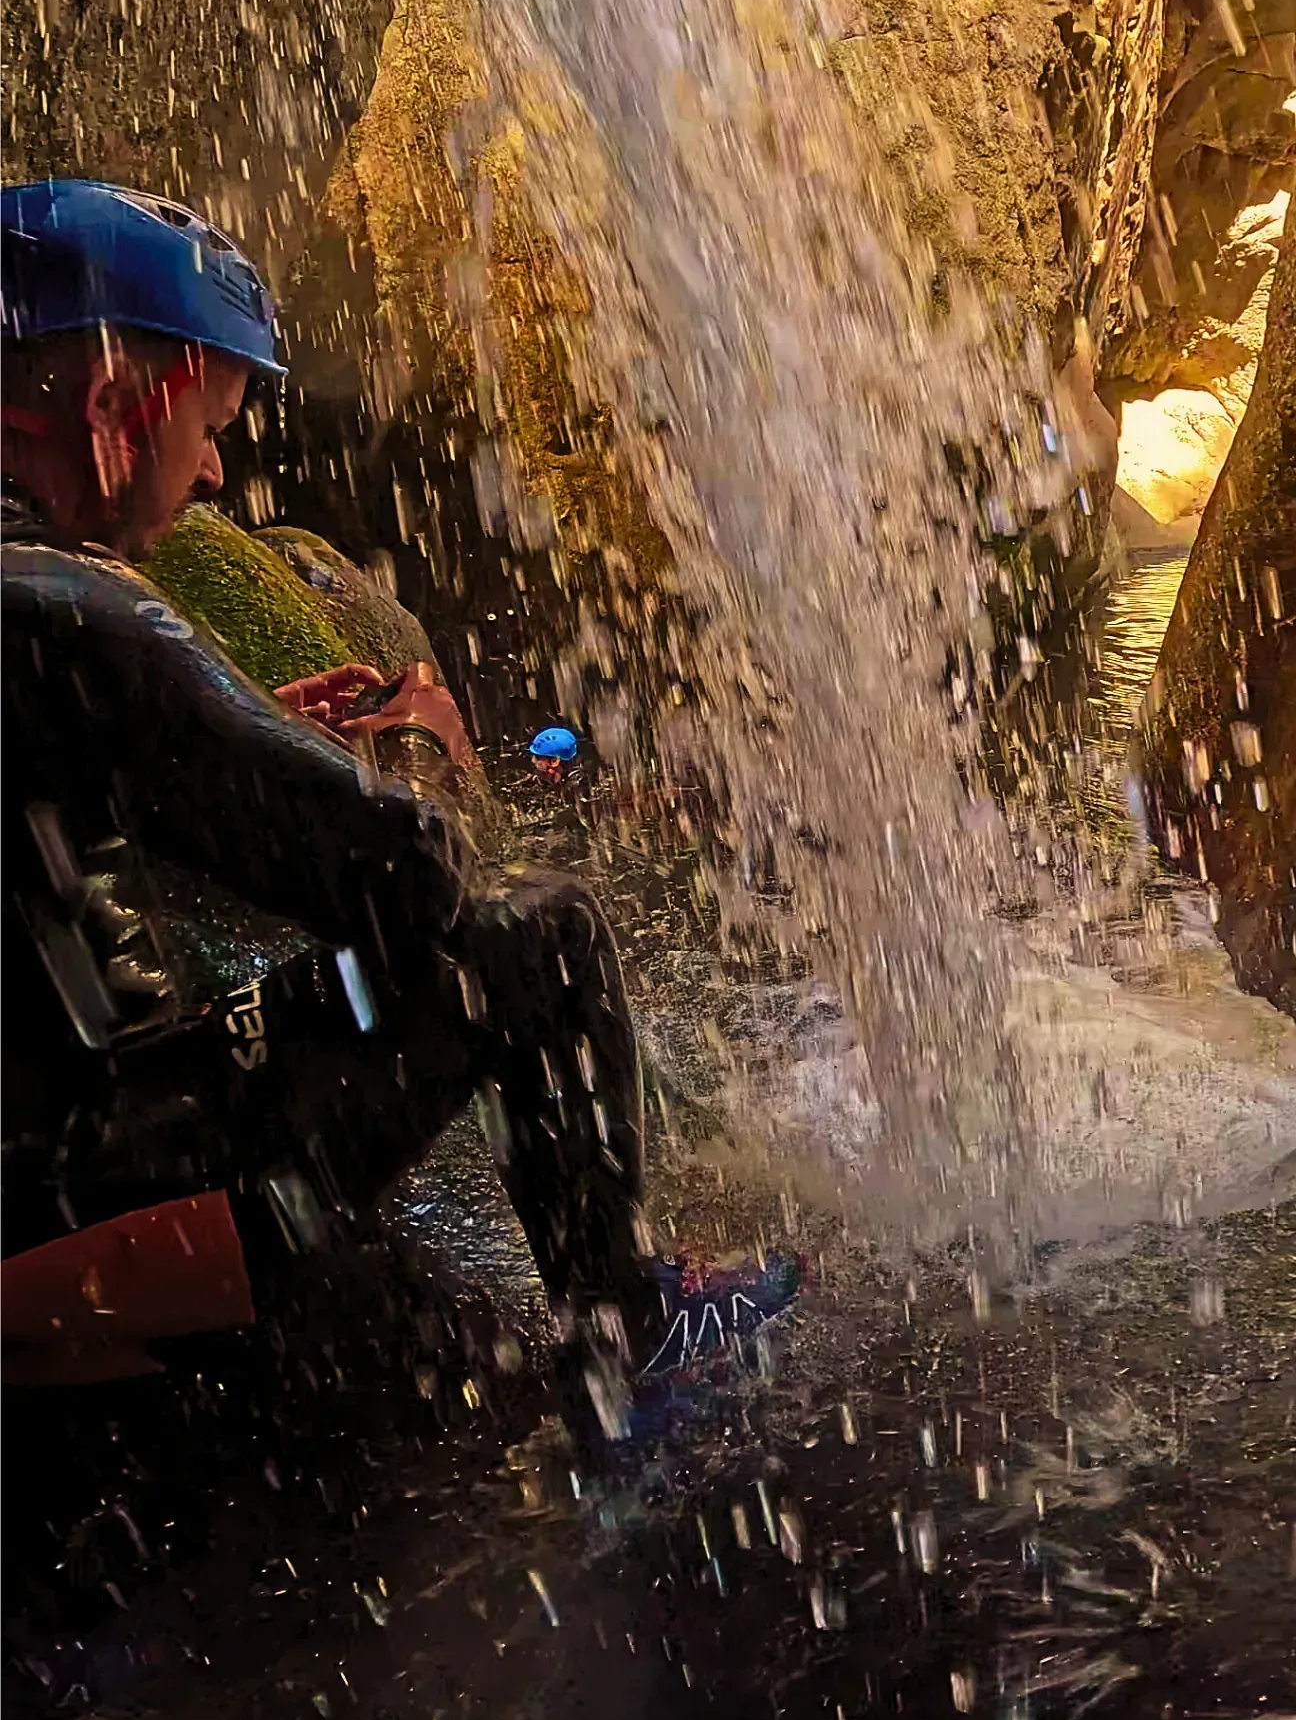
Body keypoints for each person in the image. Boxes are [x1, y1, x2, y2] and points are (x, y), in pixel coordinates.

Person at [1, 179, 794, 1404]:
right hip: (89, 1178)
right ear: (110, 409)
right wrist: (412, 749)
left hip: (50, 1143)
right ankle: (633, 1335)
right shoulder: (66, 602)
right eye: (205, 426)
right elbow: (403, 866)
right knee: (535, 934)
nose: (214, 472)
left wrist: (247, 747)